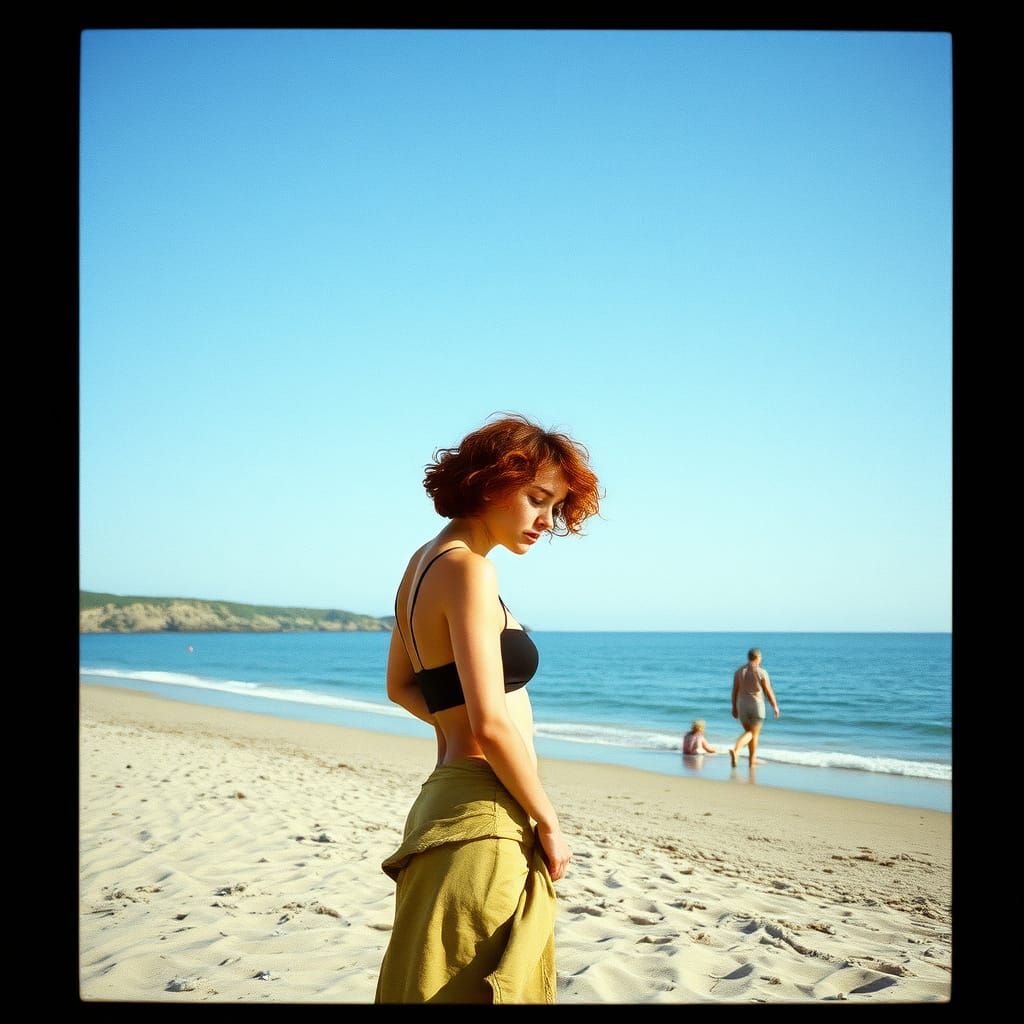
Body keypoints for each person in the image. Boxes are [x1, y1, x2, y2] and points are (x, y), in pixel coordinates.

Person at [375, 414, 601, 1004]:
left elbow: (401, 686)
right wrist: (549, 823)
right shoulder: (471, 570)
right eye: (537, 499)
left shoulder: (423, 562)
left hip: (444, 798)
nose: (545, 521)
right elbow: (491, 723)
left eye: (555, 509)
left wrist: (459, 728)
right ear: (490, 481)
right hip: (485, 812)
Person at [729, 647, 780, 767]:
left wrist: (734, 707)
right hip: (756, 705)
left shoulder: (739, 671)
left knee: (749, 733)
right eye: (761, 657)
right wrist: (775, 706)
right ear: (757, 657)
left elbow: (734, 691)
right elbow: (768, 691)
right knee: (753, 734)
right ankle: (737, 750)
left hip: (742, 705)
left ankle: (752, 761)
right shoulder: (761, 672)